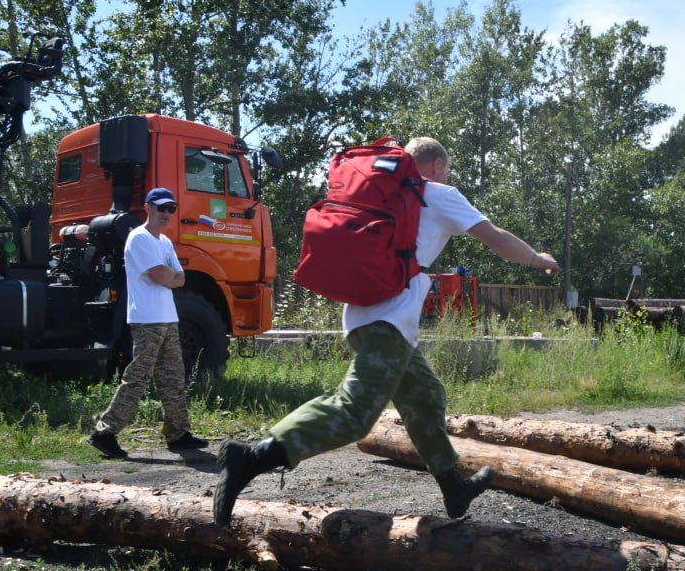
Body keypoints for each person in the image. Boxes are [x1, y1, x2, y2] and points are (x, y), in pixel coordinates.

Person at [212, 137, 558, 525]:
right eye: (446, 168)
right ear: (436, 164)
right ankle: (252, 457)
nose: (447, 174)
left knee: (425, 395)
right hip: (387, 323)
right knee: (356, 412)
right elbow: (497, 239)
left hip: (364, 317)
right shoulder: (438, 193)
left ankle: (452, 487)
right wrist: (537, 258)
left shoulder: (385, 196)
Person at [87, 187, 210, 459]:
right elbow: (161, 276)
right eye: (161, 208)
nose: (166, 213)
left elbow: (180, 278)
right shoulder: (139, 238)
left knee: (174, 378)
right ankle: (104, 433)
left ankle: (178, 434)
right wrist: (171, 276)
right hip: (147, 320)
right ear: (148, 207)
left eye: (171, 209)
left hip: (168, 318)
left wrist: (171, 276)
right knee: (137, 379)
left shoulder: (164, 242)